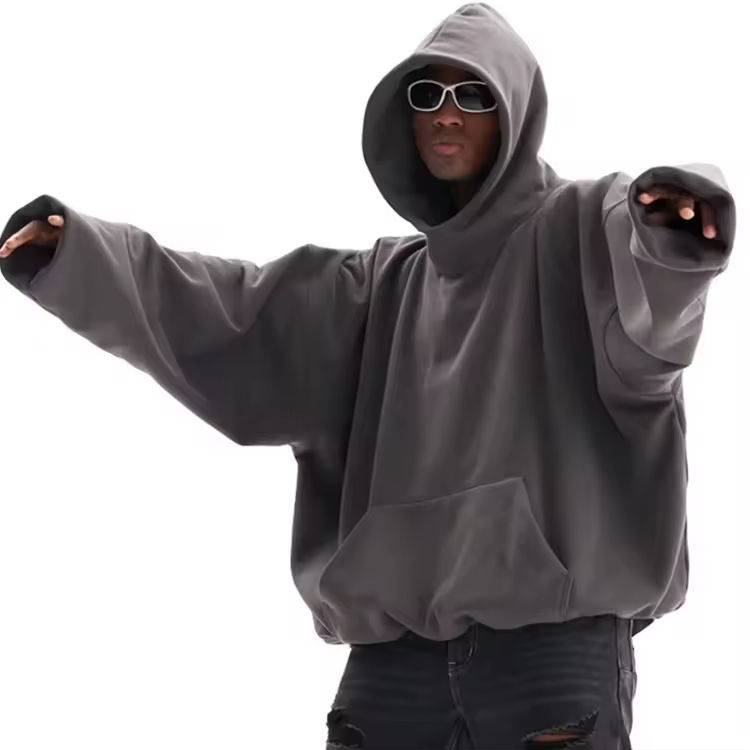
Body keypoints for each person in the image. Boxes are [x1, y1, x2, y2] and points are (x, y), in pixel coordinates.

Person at [0, 3, 736, 748]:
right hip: (393, 660)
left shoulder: (581, 230)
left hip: (551, 650)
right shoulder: (378, 289)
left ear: (516, 113)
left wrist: (673, 233)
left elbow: (650, 286)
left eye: (474, 94)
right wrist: (79, 256)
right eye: (427, 94)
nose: (447, 113)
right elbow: (229, 314)